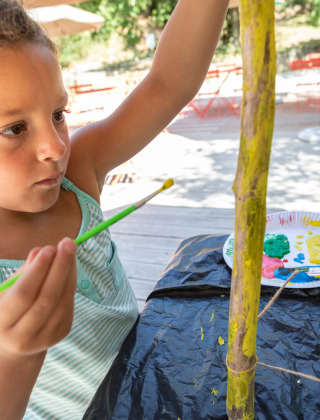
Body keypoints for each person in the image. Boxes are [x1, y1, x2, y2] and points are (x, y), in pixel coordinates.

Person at [0, 0, 229, 419]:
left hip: (160, 390)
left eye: (58, 115)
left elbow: (168, 83)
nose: (55, 147)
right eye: (14, 129)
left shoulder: (78, 174)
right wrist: (15, 354)